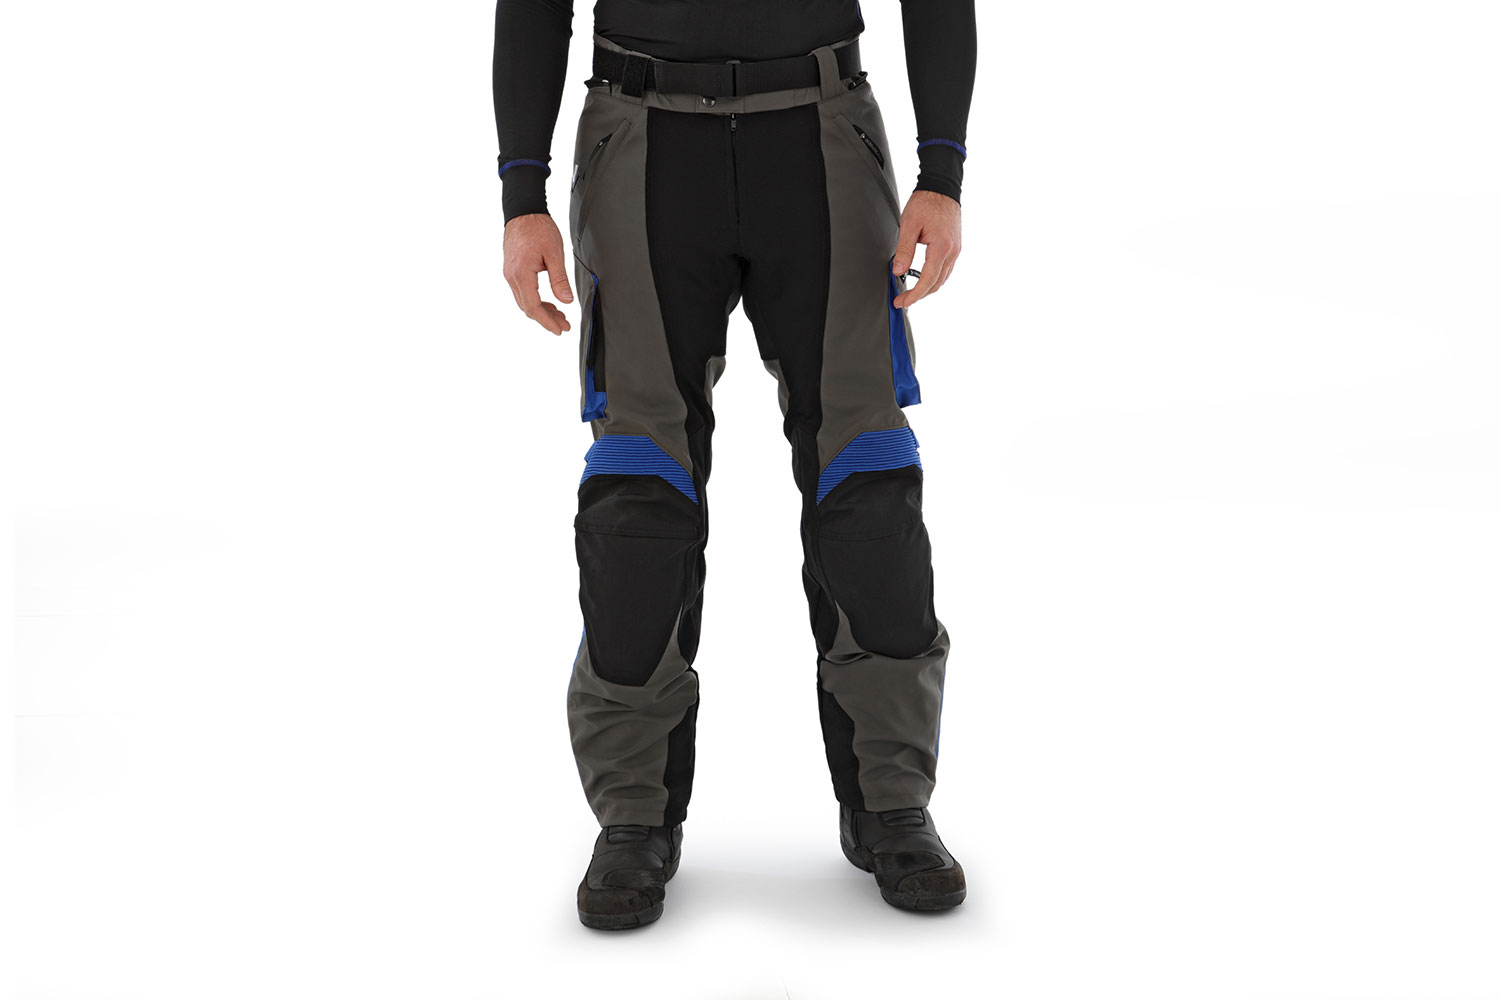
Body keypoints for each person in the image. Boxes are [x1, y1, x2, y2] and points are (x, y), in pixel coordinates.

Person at [493, 0, 976, 930]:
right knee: (639, 493)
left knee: (868, 483)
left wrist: (943, 173)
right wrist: (522, 194)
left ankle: (889, 802)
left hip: (821, 137)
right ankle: (635, 815)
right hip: (641, 142)